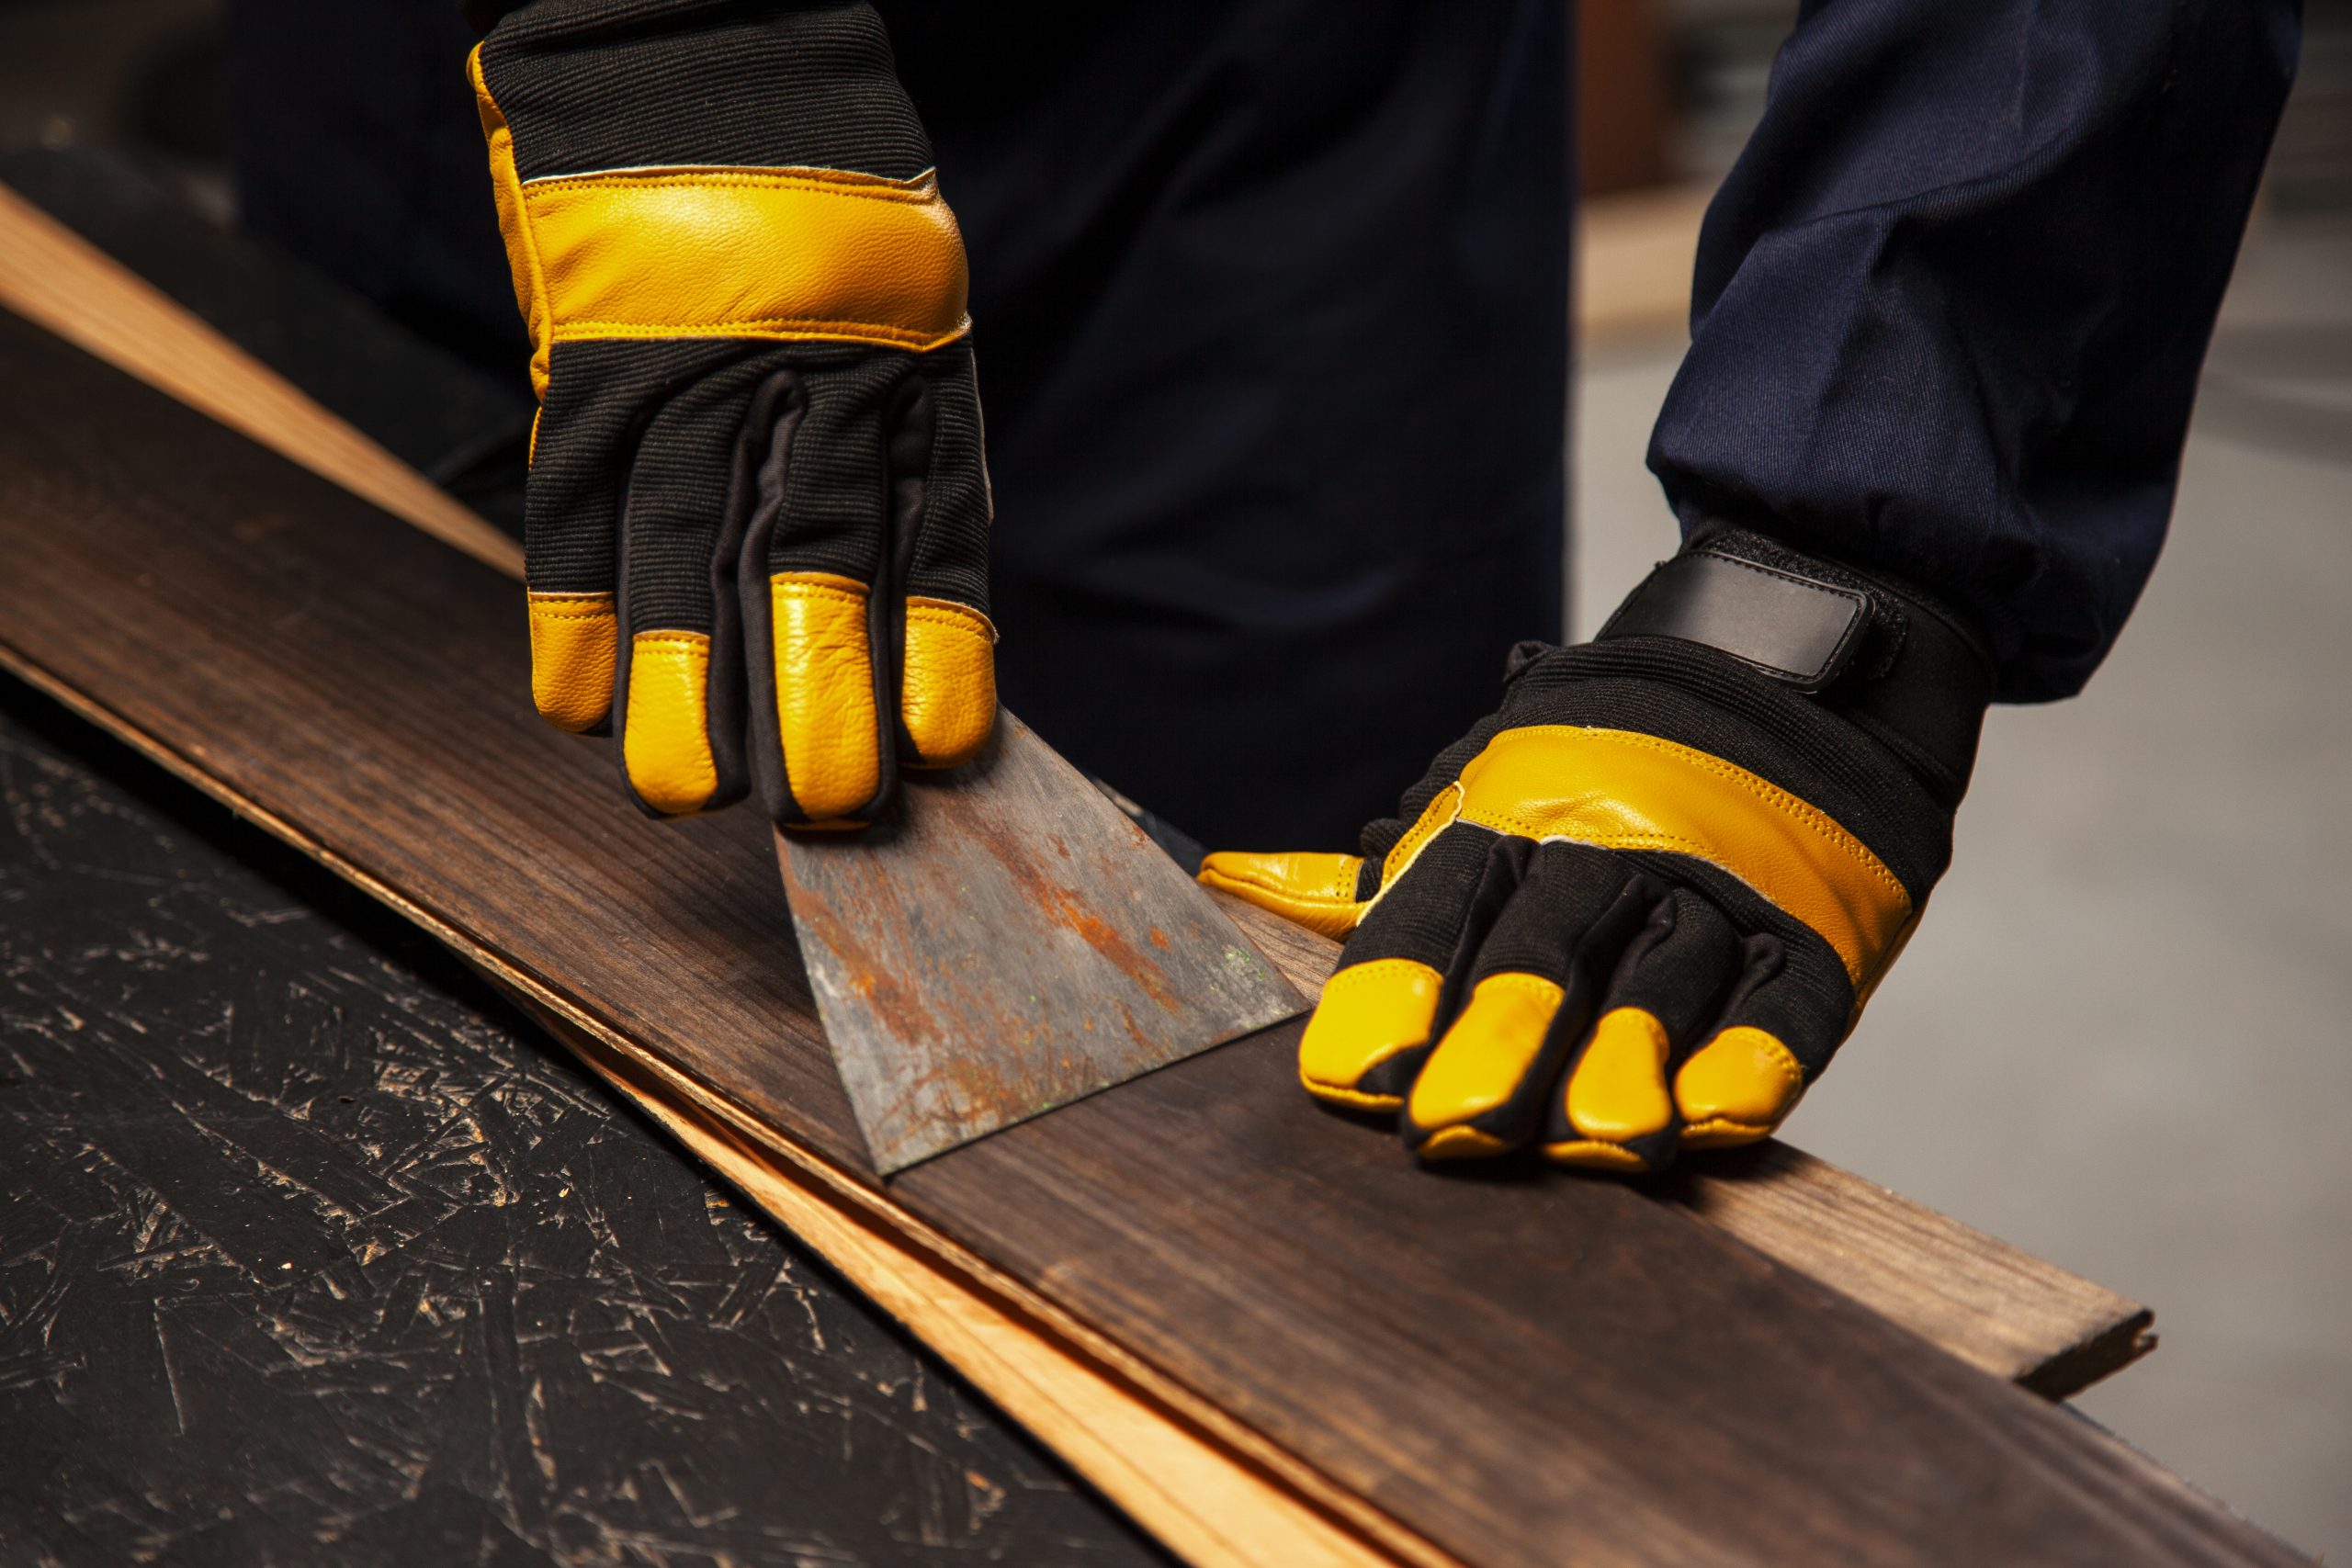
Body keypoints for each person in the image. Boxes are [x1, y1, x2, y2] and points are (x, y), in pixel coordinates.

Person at [241, 0, 2299, 1177]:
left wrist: (1842, 549)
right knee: (446, 1068)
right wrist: (673, 38)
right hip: (591, 84)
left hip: (1277, 112)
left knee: (1285, 1107)